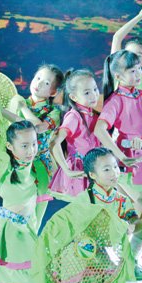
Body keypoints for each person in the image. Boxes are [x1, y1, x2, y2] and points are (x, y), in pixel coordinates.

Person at [32, 147, 139, 283]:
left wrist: (130, 226)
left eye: (115, 167)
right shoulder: (85, 198)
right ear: (93, 175)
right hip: (81, 248)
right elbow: (69, 222)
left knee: (106, 281)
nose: (114, 172)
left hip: (103, 249)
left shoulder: (122, 200)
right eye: (107, 169)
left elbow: (132, 219)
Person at [94, 50, 142, 268]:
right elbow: (100, 129)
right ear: (118, 76)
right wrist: (121, 155)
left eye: (139, 69)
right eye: (132, 71)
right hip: (126, 164)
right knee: (140, 216)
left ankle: (131, 259)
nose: (138, 74)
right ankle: (126, 261)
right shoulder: (116, 100)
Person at [0, 121, 39, 283]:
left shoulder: (38, 166)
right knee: (31, 278)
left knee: (40, 272)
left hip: (28, 225)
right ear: (9, 146)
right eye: (25, 146)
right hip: (10, 228)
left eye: (34, 144)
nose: (31, 150)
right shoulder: (3, 165)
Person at [4, 64, 65, 227]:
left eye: (46, 83)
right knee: (14, 211)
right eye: (38, 78)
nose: (39, 83)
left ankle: (31, 240)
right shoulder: (18, 103)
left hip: (40, 167)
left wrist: (23, 109)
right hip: (17, 163)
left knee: (35, 215)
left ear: (53, 92)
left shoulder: (53, 112)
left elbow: (36, 128)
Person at [49, 69, 100, 201]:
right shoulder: (74, 117)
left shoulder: (92, 114)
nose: (94, 95)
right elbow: (54, 142)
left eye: (95, 89)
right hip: (80, 170)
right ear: (73, 97)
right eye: (87, 92)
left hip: (95, 167)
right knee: (85, 207)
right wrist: (67, 170)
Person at [110, 11, 142, 94]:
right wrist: (140, 16)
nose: (132, 57)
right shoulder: (117, 72)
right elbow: (117, 38)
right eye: (129, 53)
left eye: (138, 55)